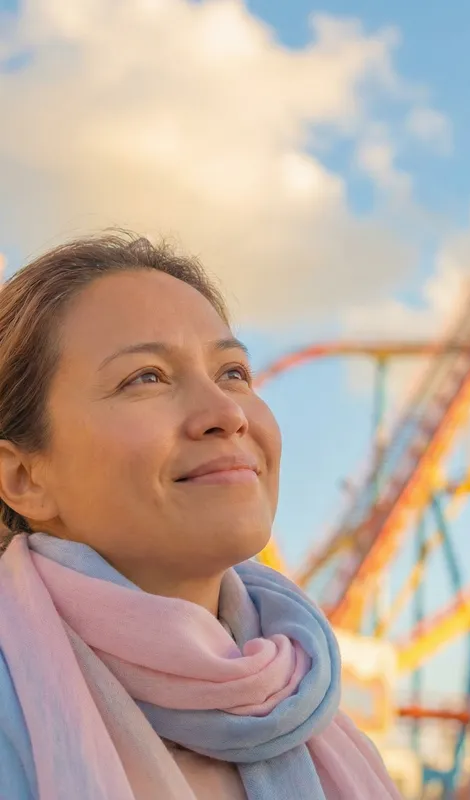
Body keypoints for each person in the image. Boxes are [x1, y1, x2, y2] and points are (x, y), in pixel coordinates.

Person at [0, 232, 403, 800]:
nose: (226, 412)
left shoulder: (319, 723)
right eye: (146, 377)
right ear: (24, 477)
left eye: (234, 373)